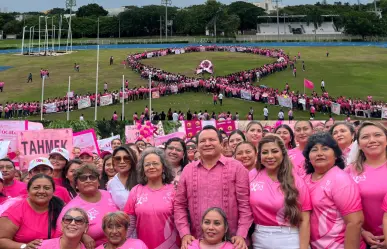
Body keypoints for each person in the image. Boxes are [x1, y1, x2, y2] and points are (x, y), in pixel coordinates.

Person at [174, 126, 253, 249]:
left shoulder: (237, 167)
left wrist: (241, 235)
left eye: (212, 140)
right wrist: (185, 233)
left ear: (221, 144)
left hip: (233, 243)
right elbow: (179, 205)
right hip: (197, 242)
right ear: (198, 146)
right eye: (202, 141)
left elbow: (245, 205)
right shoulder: (188, 170)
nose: (207, 144)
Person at [303, 132, 365, 249]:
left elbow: (355, 222)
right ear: (308, 156)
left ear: (336, 155)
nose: (319, 153)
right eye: (314, 150)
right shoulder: (304, 179)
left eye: (325, 149)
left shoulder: (340, 180)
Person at [249, 135, 311, 249]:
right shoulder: (252, 176)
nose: (270, 156)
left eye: (274, 151)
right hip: (259, 239)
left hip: (290, 239)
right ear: (259, 155)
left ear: (283, 153)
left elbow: (305, 220)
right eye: (265, 152)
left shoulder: (296, 181)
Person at [124, 148, 180, 248]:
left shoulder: (174, 191)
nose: (151, 167)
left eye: (155, 163)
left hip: (171, 245)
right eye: (147, 164)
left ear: (163, 167)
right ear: (143, 169)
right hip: (144, 245)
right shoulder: (135, 191)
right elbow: (130, 222)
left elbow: (181, 219)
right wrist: (122, 242)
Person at [345, 121, 387, 248]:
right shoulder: (349, 172)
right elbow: (343, 208)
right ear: (358, 145)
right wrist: (362, 232)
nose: (372, 140)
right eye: (365, 137)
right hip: (363, 239)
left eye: (377, 135)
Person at [56, 164, 119, 248]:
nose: (88, 180)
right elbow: (60, 232)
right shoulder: (72, 208)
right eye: (83, 178)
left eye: (92, 177)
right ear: (76, 185)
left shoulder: (109, 194)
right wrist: (81, 236)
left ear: (98, 181)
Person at [0, 174, 64, 248]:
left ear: (53, 191)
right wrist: (24, 246)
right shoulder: (15, 210)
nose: (42, 191)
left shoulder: (61, 208)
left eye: (47, 188)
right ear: (28, 190)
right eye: (36, 188)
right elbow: (1, 240)